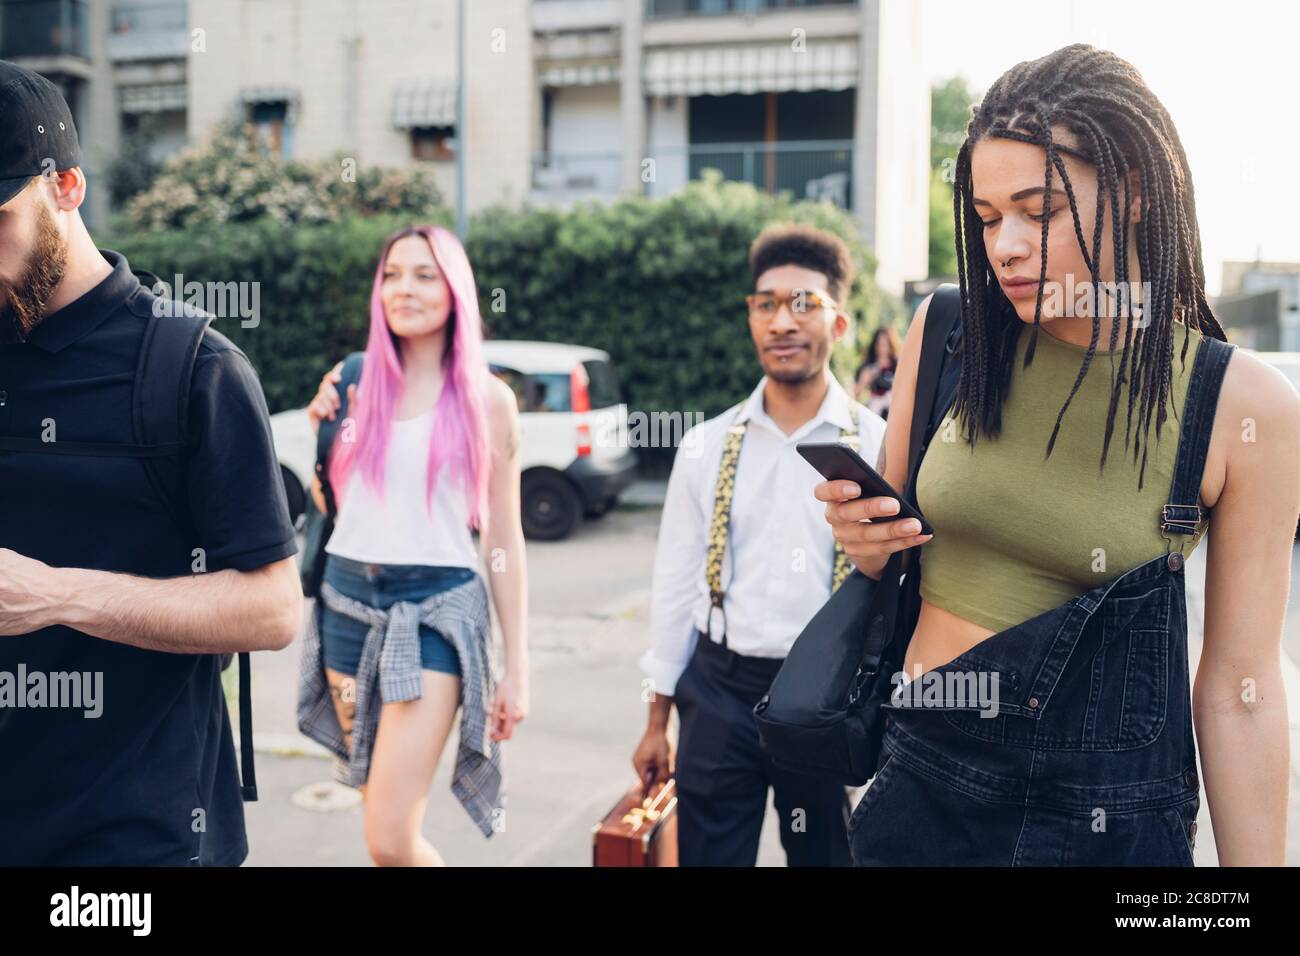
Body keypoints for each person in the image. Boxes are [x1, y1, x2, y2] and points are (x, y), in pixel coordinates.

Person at [817, 44, 1300, 866]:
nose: (1003, 244)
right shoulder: (948, 334)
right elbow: (880, 566)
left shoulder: (1245, 407)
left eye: (1038, 212)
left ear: (1138, 192)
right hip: (921, 789)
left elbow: (1240, 691)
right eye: (987, 214)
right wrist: (860, 545)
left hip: (1110, 825)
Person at [0, 60, 302, 865]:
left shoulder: (193, 368)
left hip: (134, 842)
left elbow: (273, 610)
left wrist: (55, 596)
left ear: (66, 185)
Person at [633, 223, 886, 866]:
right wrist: (656, 719)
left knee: (825, 855)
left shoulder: (880, 445)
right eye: (765, 304)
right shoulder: (706, 445)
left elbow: (906, 588)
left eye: (803, 303)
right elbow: (675, 586)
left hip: (824, 694)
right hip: (718, 692)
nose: (781, 321)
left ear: (841, 323)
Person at [297, 224, 529, 866]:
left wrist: (519, 667)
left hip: (436, 612)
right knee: (377, 810)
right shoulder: (350, 380)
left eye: (425, 274)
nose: (406, 288)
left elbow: (505, 538)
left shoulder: (489, 400)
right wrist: (325, 436)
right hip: (345, 603)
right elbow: (331, 506)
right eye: (393, 274)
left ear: (456, 290)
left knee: (390, 838)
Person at [854, 326, 901, 419]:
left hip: (892, 406)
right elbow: (855, 392)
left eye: (885, 345)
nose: (882, 349)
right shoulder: (869, 367)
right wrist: (865, 380)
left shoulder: (897, 365)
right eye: (879, 344)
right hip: (875, 406)